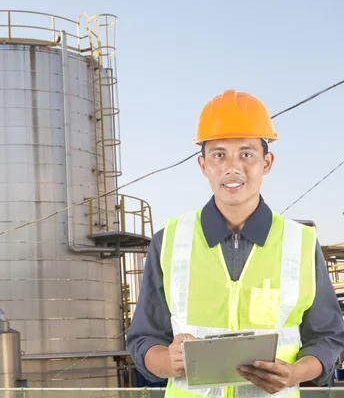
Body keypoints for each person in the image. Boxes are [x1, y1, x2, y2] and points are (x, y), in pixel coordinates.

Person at [126, 89, 344, 397]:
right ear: (203, 165)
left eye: (246, 154)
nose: (232, 167)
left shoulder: (301, 242)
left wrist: (295, 373)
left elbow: (328, 337)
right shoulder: (170, 241)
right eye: (218, 155)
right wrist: (168, 361)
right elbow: (143, 340)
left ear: (266, 162)